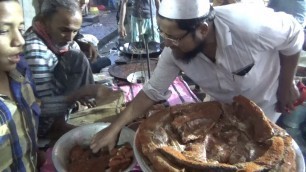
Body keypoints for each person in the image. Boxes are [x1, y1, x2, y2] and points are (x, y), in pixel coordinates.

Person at [90, 0, 304, 152]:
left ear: (202, 29)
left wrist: (286, 84)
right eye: (162, 33)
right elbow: (151, 92)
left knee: (265, 151)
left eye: (173, 37)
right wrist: (113, 129)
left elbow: (294, 35)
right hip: (222, 111)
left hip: (266, 105)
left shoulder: (249, 25)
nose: (166, 43)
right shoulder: (174, 52)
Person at [23, 0, 109, 140]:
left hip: (59, 105)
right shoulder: (36, 52)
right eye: (64, 30)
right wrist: (77, 94)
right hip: (40, 124)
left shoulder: (57, 39)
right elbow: (39, 108)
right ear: (45, 21)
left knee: (77, 56)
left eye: (75, 31)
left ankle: (75, 109)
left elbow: (74, 50)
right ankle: (56, 127)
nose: (70, 38)